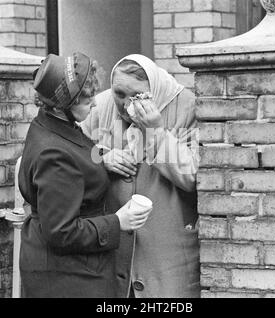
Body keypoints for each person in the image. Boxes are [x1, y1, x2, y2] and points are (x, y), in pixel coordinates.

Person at [18, 53, 151, 298]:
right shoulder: (53, 155)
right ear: (63, 104)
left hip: (71, 268)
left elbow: (76, 150)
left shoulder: (51, 124)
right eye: (87, 99)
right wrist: (118, 222)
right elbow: (61, 232)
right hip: (66, 277)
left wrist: (101, 157)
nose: (94, 104)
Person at [82, 54, 200, 298]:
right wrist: (102, 156)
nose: (126, 105)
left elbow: (191, 175)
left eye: (137, 96)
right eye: (120, 94)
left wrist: (155, 131)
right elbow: (77, 152)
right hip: (113, 254)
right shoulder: (100, 105)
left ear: (154, 90)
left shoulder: (187, 106)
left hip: (167, 255)